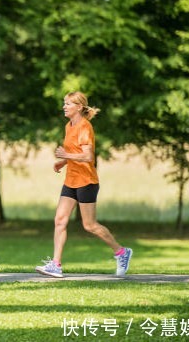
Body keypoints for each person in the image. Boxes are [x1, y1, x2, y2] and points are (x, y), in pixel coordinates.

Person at [35, 92, 133, 278]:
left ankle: (121, 252)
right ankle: (56, 264)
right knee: (60, 220)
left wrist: (65, 156)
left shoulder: (84, 127)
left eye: (68, 104)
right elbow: (74, 152)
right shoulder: (68, 126)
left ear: (79, 107)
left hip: (86, 181)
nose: (64, 107)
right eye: (64, 103)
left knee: (89, 225)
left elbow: (88, 156)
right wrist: (63, 162)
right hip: (71, 180)